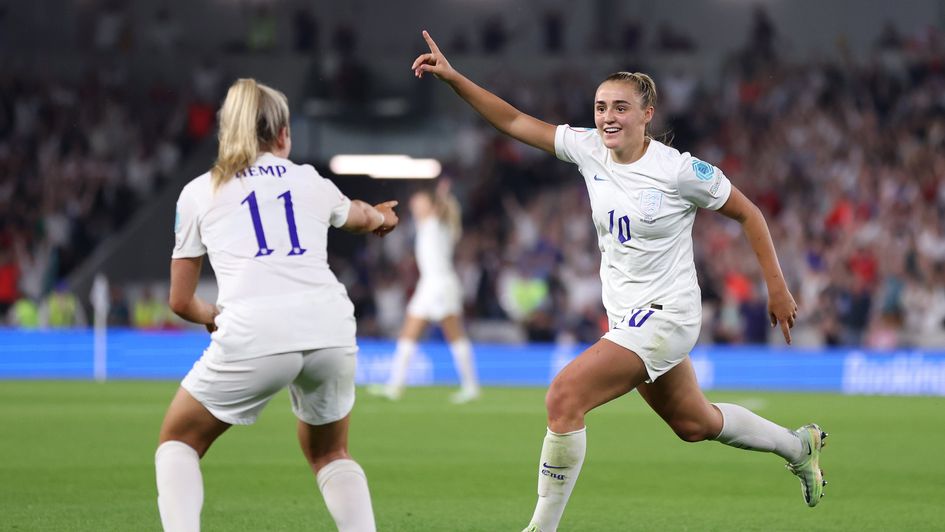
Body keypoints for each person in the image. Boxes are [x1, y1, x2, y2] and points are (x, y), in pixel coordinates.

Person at [411, 31, 828, 531]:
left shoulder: (679, 171)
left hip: (669, 315)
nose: (607, 117)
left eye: (620, 108)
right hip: (628, 318)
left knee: (564, 395)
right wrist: (456, 79)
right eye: (601, 106)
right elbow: (515, 120)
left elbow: (750, 214)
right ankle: (797, 446)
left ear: (647, 114)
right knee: (694, 424)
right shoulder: (590, 150)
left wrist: (777, 289)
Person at [156, 78, 399, 532]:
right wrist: (385, 216)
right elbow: (364, 216)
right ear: (283, 134)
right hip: (330, 325)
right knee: (330, 453)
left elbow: (180, 301)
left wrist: (213, 316)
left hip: (255, 329)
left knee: (178, 441)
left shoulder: (197, 192)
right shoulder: (309, 180)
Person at [374, 179, 481, 403]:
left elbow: (446, 210)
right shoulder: (425, 225)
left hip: (441, 285)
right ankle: (395, 387)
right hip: (429, 285)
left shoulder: (437, 223)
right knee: (408, 335)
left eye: (420, 204)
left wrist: (443, 196)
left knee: (455, 335)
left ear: (432, 207)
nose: (415, 208)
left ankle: (471, 386)